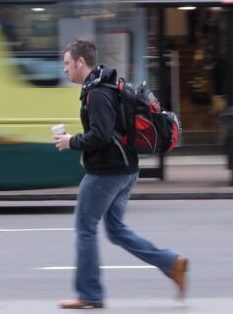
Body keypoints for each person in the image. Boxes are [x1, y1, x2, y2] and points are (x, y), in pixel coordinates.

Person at [53, 39, 188, 309]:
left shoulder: (97, 93)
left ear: (81, 62)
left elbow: (101, 134)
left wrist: (72, 142)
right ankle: (171, 263)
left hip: (108, 174)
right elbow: (111, 134)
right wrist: (87, 153)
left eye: (67, 63)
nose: (65, 70)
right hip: (126, 171)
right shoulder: (106, 85)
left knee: (85, 229)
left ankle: (89, 293)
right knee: (115, 230)